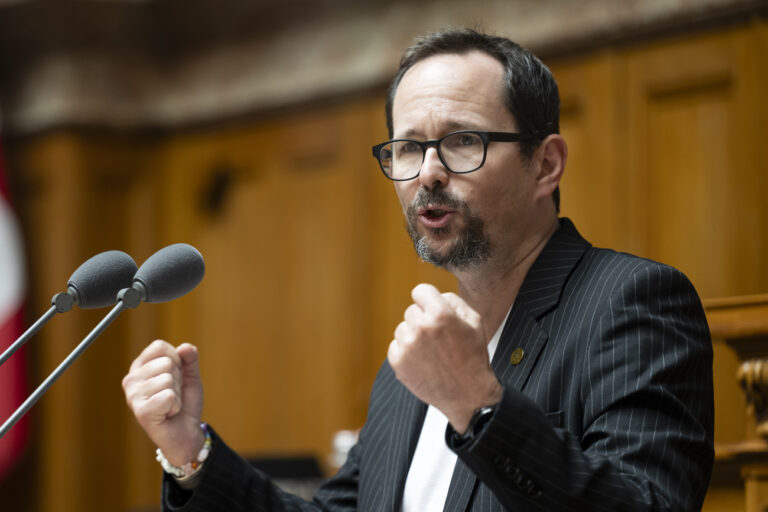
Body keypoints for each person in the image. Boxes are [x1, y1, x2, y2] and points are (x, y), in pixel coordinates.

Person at [122, 28, 714, 511]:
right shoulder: (411, 365)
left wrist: (480, 407)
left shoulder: (630, 303)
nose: (428, 172)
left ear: (545, 164)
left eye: (462, 141)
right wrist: (191, 455)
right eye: (408, 148)